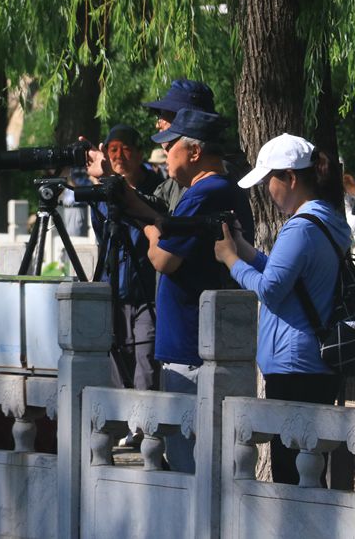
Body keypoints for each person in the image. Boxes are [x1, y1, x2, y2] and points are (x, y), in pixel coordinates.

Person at [214, 133, 348, 485]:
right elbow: (287, 276)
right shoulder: (328, 219)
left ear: (290, 177)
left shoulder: (300, 229)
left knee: (291, 476)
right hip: (317, 361)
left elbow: (273, 290)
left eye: (270, 180)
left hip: (294, 367)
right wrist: (245, 249)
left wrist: (231, 261)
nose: (267, 191)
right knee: (311, 469)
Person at [141, 109, 255, 473]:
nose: (165, 152)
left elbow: (163, 260)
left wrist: (150, 231)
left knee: (190, 464)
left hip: (191, 349)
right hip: (198, 344)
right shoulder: (218, 189)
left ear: (193, 151)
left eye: (170, 144)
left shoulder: (205, 192)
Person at [84, 124, 163, 391]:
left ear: (139, 154)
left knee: (146, 361)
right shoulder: (101, 191)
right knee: (115, 363)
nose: (119, 157)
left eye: (125, 150)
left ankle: (145, 425)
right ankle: (122, 426)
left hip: (146, 292)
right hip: (113, 289)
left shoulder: (157, 187)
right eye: (113, 150)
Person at [143, 79, 218, 212]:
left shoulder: (208, 179)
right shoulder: (183, 176)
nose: (157, 124)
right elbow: (157, 205)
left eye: (163, 115)